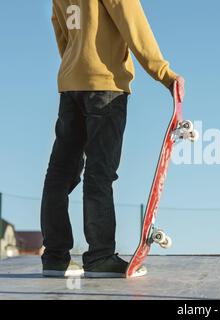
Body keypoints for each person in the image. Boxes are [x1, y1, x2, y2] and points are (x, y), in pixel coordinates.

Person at [41, 0, 184, 278]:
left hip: (71, 85)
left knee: (59, 173)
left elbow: (59, 27)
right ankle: (100, 257)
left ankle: (55, 258)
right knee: (99, 173)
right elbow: (134, 25)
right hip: (105, 87)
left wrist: (75, 65)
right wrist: (165, 75)